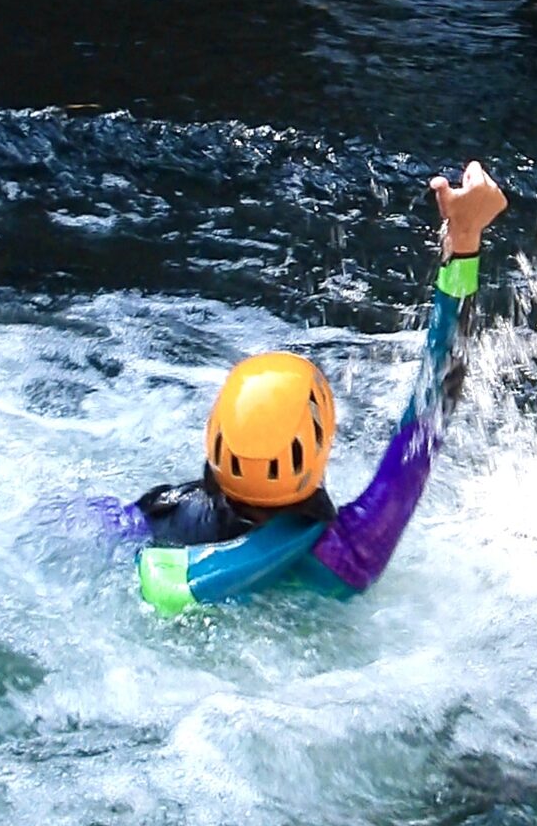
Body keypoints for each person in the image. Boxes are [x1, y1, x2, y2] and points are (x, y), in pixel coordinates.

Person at [84, 162, 508, 616]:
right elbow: (434, 402)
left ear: (214, 437)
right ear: (322, 438)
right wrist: (463, 245)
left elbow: (79, 524)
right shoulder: (354, 552)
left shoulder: (163, 517)